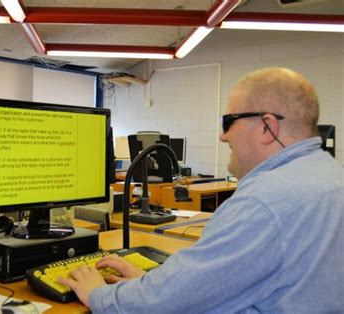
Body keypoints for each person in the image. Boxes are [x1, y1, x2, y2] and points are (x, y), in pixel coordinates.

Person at [59, 67, 344, 312]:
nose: (223, 135)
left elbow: (166, 303)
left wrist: (99, 294)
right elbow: (203, 284)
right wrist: (150, 283)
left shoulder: (265, 202)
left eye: (228, 122)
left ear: (267, 127)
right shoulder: (330, 176)